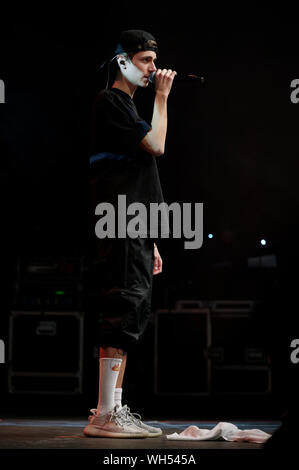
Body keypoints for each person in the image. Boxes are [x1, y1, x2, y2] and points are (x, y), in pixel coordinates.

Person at [84, 30, 176, 438]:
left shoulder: (127, 110)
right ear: (122, 61)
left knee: (133, 308)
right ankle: (105, 415)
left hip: (135, 223)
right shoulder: (111, 102)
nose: (153, 69)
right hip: (119, 220)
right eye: (145, 60)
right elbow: (156, 145)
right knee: (121, 307)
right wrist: (162, 97)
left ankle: (112, 411)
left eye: (155, 61)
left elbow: (141, 176)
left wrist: (152, 237)